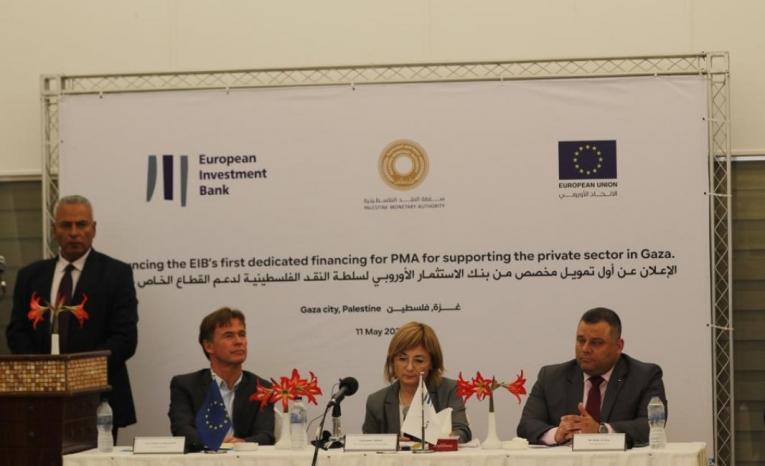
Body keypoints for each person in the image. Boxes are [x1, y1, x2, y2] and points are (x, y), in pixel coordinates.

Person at [6, 194, 139, 439]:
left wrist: (79, 373)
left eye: (82, 224)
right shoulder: (30, 276)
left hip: (99, 397)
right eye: (66, 225)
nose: (74, 233)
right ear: (54, 229)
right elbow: (17, 333)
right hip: (41, 395)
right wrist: (46, 373)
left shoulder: (116, 273)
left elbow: (125, 338)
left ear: (93, 229)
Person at [516, 307, 667, 446]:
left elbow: (652, 426)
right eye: (581, 340)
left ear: (618, 346)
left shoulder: (645, 376)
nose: (585, 349)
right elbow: (526, 426)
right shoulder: (550, 377)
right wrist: (557, 434)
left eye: (596, 343)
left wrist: (601, 431)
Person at [169, 307, 274, 451]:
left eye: (242, 334)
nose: (239, 341)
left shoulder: (262, 387)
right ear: (208, 346)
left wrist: (241, 444)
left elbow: (266, 435)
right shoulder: (185, 385)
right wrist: (215, 442)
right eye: (229, 336)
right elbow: (182, 430)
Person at [362, 321, 472, 443]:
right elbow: (368, 444)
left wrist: (444, 440)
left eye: (419, 361)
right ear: (392, 361)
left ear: (432, 363)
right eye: (402, 359)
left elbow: (462, 432)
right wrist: (392, 443)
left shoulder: (449, 390)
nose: (409, 367)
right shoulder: (376, 401)